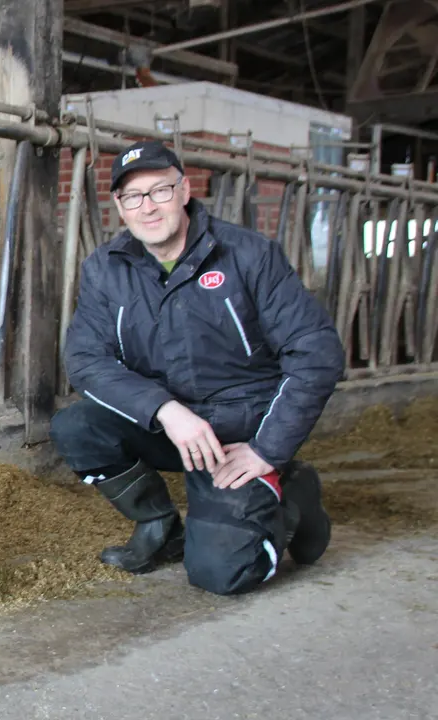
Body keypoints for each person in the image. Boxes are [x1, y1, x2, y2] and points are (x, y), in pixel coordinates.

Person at [50, 139, 342, 596]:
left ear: (184, 190)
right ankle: (160, 528)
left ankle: (292, 496)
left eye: (160, 191)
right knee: (78, 426)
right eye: (133, 197)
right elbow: (86, 360)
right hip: (172, 427)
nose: (147, 207)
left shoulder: (248, 255)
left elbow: (316, 352)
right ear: (120, 207)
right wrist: (165, 410)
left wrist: (267, 449)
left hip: (237, 434)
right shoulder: (106, 268)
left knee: (221, 575)